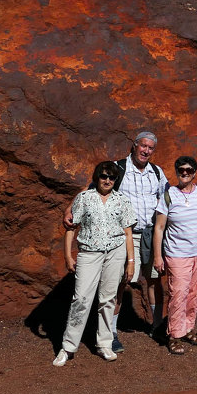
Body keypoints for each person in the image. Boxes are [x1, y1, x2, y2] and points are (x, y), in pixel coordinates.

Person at [66, 131, 165, 351]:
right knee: (120, 283)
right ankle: (110, 333)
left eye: (151, 148)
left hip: (151, 234)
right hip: (126, 235)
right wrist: (69, 208)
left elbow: (168, 198)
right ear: (134, 145)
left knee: (154, 280)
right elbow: (92, 186)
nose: (146, 151)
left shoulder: (157, 173)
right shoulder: (117, 168)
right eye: (143, 146)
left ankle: (157, 326)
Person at [53, 161, 136, 366]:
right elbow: (72, 228)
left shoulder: (122, 201)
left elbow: (127, 233)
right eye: (104, 176)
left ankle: (104, 343)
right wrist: (68, 256)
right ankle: (68, 347)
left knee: (108, 298)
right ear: (97, 177)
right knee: (81, 298)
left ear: (116, 180)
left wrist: (131, 262)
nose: (107, 180)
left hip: (115, 253)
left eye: (112, 177)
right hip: (89, 253)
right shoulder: (84, 198)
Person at [153, 155, 197, 355]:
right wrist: (158, 256)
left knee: (195, 293)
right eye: (181, 170)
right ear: (176, 172)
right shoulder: (169, 194)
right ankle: (174, 335)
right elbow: (159, 227)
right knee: (178, 294)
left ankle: (188, 329)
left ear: (194, 173)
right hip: (178, 254)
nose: (184, 173)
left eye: (189, 170)